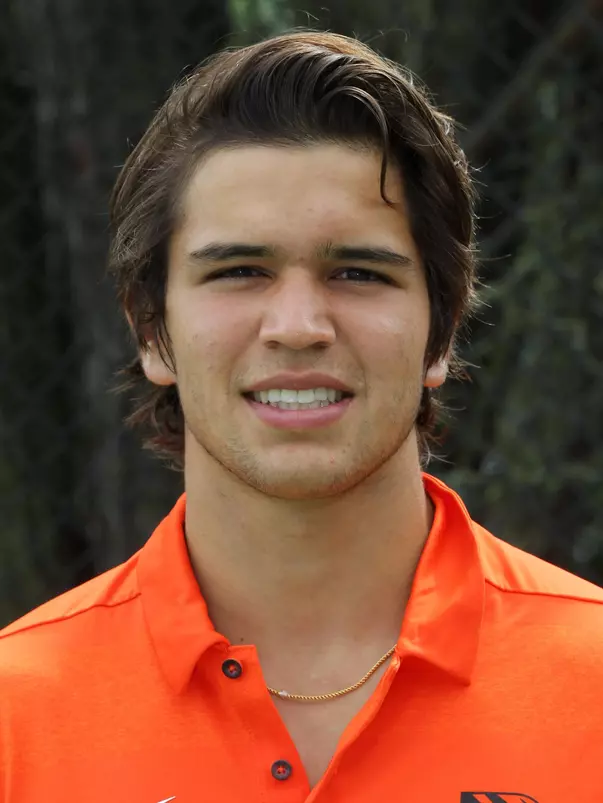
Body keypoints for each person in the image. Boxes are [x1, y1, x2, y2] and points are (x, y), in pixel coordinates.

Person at [1, 30, 602, 803]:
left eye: (356, 271)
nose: (296, 324)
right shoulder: (20, 714)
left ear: (441, 329)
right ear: (152, 328)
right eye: (239, 271)